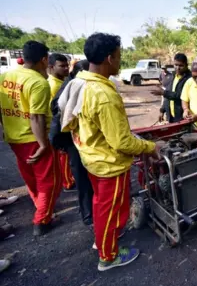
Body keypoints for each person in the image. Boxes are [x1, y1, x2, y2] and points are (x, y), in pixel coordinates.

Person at [59, 33, 159, 271]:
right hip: (109, 164)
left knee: (101, 205)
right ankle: (109, 256)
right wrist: (151, 147)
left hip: (92, 157)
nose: (120, 60)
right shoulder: (103, 95)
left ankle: (102, 242)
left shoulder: (81, 81)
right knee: (112, 211)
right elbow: (122, 142)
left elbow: (69, 115)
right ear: (108, 58)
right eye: (118, 56)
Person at [0, 41, 61, 236]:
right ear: (44, 59)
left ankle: (40, 208)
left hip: (14, 137)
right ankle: (42, 220)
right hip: (33, 138)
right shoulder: (37, 82)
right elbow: (36, 116)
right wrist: (43, 144)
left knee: (30, 177)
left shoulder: (6, 76)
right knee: (49, 181)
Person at [50, 59, 94, 227]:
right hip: (74, 141)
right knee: (83, 178)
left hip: (76, 140)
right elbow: (58, 118)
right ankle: (88, 215)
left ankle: (87, 210)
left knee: (85, 178)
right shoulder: (70, 89)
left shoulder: (69, 86)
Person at [48, 53, 76, 192]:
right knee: (64, 156)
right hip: (59, 126)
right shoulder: (53, 86)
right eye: (61, 66)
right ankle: (68, 182)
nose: (66, 69)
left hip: (61, 125)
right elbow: (55, 110)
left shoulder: (61, 82)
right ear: (51, 67)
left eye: (67, 65)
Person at [153, 53, 191, 123]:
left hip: (182, 117)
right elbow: (168, 95)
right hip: (171, 117)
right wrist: (162, 111)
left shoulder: (190, 79)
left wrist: (164, 93)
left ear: (186, 65)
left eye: (181, 65)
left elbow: (181, 96)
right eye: (176, 65)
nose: (178, 68)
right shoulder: (173, 76)